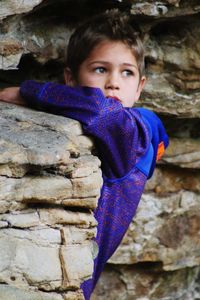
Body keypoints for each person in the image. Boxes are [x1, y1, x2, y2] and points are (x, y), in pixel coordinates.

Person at [0, 10, 169, 299]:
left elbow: (100, 110)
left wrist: (27, 91)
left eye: (126, 72)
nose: (113, 82)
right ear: (71, 77)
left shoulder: (133, 134)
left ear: (140, 86)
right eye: (100, 69)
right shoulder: (144, 126)